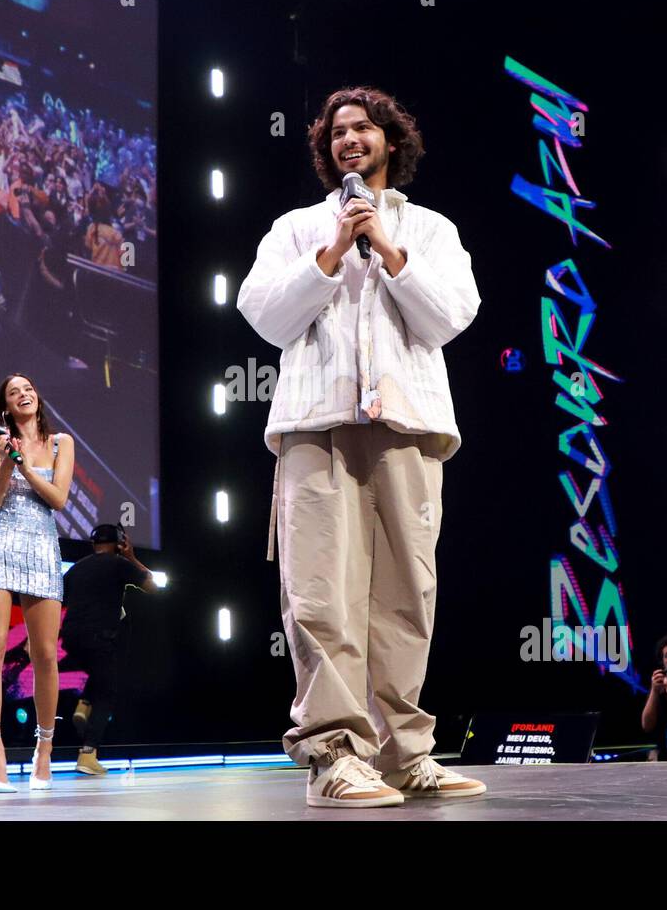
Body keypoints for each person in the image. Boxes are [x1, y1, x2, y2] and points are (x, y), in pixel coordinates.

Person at [236, 86, 484, 807]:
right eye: (338, 131)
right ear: (327, 148)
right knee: (321, 598)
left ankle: (405, 754)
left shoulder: (431, 229)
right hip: (318, 428)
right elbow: (265, 316)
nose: (350, 139)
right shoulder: (295, 228)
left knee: (408, 599)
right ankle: (333, 757)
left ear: (390, 141)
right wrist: (335, 249)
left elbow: (448, 318)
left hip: (407, 427)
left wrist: (386, 248)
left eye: (363, 128)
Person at [0, 374, 75, 792]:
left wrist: (25, 467)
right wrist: (7, 461)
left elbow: (59, 498)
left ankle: (44, 751)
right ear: (5, 408)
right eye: (14, 393)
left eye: (29, 388)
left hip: (42, 546)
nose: (24, 394)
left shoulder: (60, 442)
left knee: (46, 653)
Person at [61, 524, 159, 775]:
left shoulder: (76, 569)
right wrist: (131, 557)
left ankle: (83, 704)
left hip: (71, 639)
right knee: (107, 691)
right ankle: (88, 754)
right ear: (119, 543)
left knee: (100, 670)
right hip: (99, 637)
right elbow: (153, 586)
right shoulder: (119, 563)